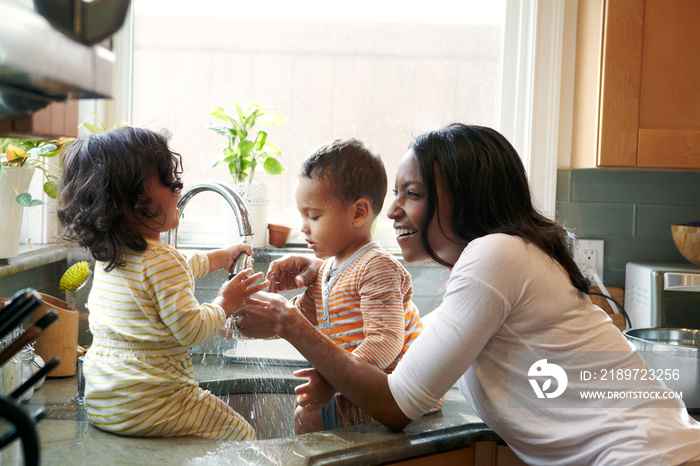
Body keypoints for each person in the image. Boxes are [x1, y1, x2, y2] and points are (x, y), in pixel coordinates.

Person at [234, 124, 700, 464]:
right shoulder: (500, 261)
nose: (392, 209)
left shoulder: (496, 256)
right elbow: (413, 342)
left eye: (411, 193)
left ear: (466, 198)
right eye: (395, 192)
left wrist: (288, 323)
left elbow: (396, 404)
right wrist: (324, 275)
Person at [57, 126, 268, 440]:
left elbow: (178, 269)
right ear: (130, 200)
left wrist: (221, 257)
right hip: (157, 402)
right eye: (169, 182)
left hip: (106, 403)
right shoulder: (161, 261)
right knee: (242, 435)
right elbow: (192, 330)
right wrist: (227, 300)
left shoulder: (111, 256)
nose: (178, 189)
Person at [273, 138, 440, 433]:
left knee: (309, 419)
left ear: (359, 213)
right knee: (306, 418)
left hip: (392, 400)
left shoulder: (376, 267)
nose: (303, 227)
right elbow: (298, 320)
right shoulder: (325, 270)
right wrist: (260, 300)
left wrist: (332, 380)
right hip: (355, 392)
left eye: (314, 216)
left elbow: (386, 340)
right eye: (302, 216)